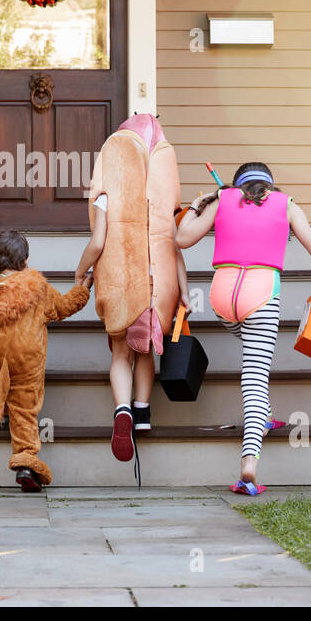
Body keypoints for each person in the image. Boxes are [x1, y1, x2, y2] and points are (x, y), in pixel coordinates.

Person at [176, 162, 311, 495]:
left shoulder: (222, 200)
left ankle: (265, 414)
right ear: (270, 184)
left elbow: (182, 238)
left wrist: (198, 205)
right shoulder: (287, 204)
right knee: (255, 375)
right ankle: (249, 463)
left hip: (221, 298)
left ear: (238, 182)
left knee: (253, 350)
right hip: (261, 293)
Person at [75, 113, 188, 467]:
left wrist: (80, 273)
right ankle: (142, 411)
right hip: (159, 282)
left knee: (121, 351)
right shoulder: (165, 196)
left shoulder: (109, 190)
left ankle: (121, 409)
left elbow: (97, 243)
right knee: (147, 350)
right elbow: (175, 244)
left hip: (122, 280)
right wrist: (183, 290)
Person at [0, 230, 91, 492]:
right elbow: (64, 308)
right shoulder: (39, 288)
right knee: (24, 407)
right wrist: (82, 290)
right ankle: (25, 462)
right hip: (26, 360)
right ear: (26, 262)